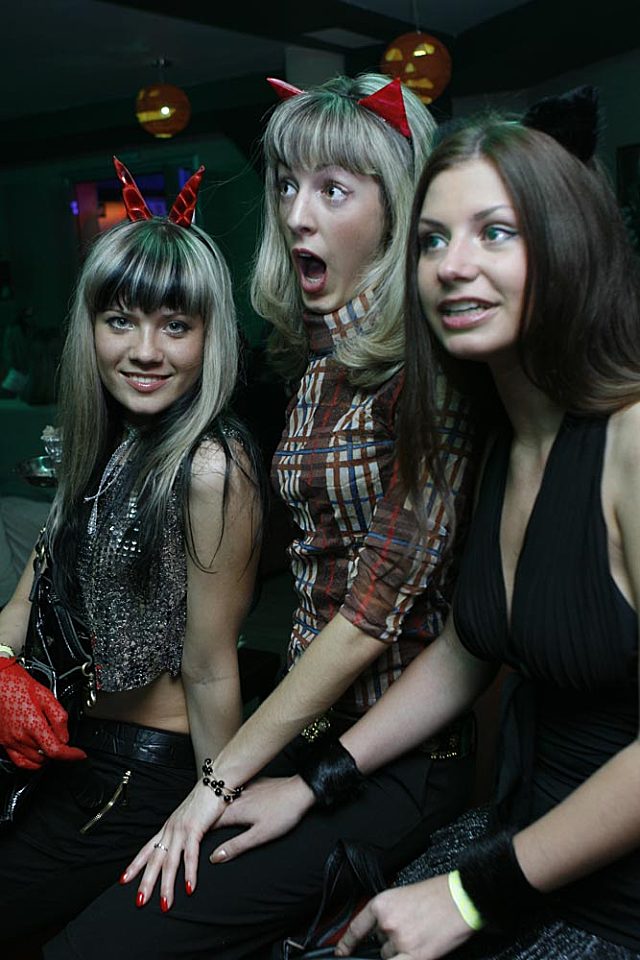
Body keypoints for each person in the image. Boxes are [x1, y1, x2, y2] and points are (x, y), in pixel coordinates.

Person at [43, 73, 477, 960]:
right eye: (285, 185)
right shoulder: (319, 360)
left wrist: (217, 784)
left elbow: (371, 616)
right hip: (308, 727)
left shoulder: (431, 374)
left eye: (333, 190)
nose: (295, 214)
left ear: (398, 209)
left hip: (395, 760)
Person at [328, 86, 640, 959]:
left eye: (494, 233)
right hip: (520, 839)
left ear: (567, 247)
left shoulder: (632, 439)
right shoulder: (507, 438)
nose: (452, 266)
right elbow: (471, 648)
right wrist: (320, 777)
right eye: (432, 240)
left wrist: (469, 896)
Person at [0, 160, 263, 951]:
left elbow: (211, 669)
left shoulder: (210, 466)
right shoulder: (100, 442)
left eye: (175, 327)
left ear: (210, 337)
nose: (146, 351)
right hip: (67, 756)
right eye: (121, 322)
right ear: (91, 330)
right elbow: (28, 594)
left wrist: (211, 813)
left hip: (143, 771)